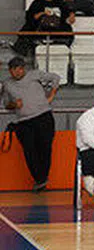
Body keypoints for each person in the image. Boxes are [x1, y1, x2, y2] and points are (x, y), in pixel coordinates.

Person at [0, 57, 60, 191]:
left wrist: (51, 95)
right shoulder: (7, 84)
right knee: (29, 151)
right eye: (14, 69)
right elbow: (6, 104)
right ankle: (40, 179)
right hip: (24, 122)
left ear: (24, 68)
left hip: (43, 116)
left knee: (45, 149)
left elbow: (55, 78)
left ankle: (42, 179)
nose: (18, 72)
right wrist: (14, 104)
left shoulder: (35, 74)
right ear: (10, 71)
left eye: (20, 68)